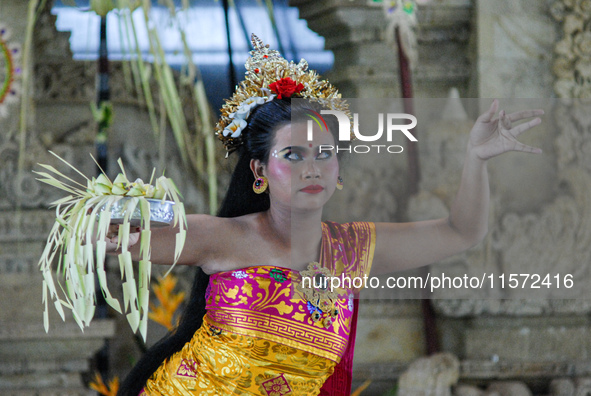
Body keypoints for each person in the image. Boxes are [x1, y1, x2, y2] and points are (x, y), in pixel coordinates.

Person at [113, 35, 543, 396]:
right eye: (293, 155)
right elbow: (116, 241)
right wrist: (110, 213)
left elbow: (462, 231)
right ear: (259, 169)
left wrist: (476, 158)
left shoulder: (354, 249)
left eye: (324, 154)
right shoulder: (222, 237)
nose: (312, 168)